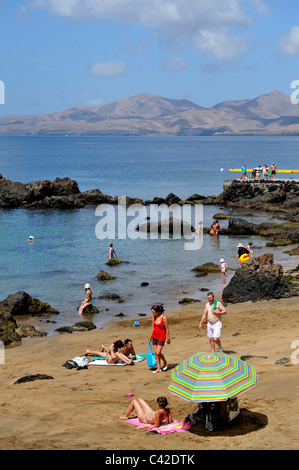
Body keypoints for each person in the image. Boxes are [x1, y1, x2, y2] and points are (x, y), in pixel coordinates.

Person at [149, 304, 170, 373]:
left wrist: (168, 338)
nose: (153, 313)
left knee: (158, 352)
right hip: (154, 336)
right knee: (156, 353)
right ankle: (158, 367)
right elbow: (153, 327)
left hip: (161, 337)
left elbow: (167, 329)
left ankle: (164, 361)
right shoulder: (154, 317)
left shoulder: (164, 318)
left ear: (157, 312)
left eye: (153, 312)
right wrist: (150, 336)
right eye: (152, 312)